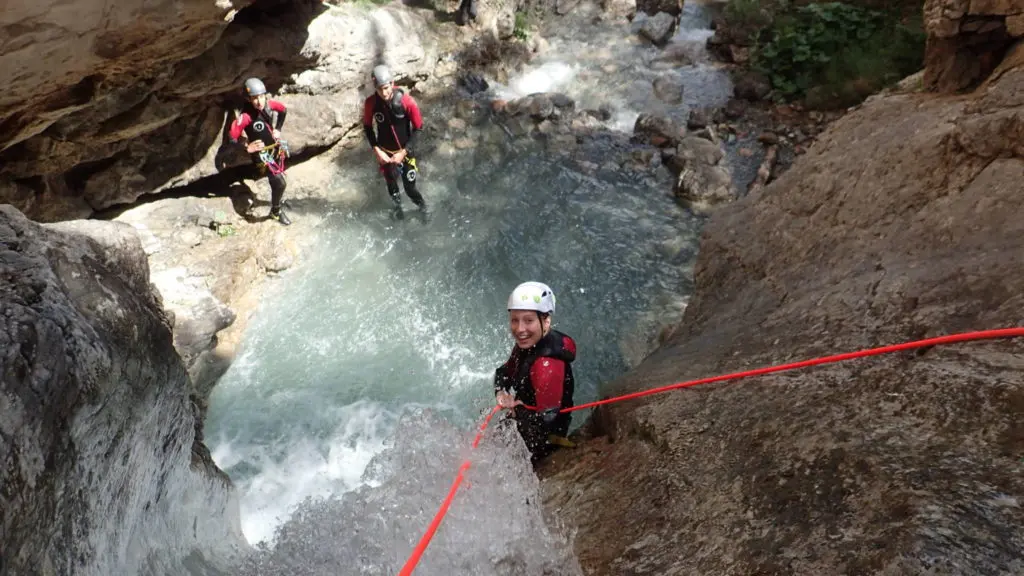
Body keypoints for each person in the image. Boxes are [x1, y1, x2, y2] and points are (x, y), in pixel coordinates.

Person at [493, 281, 577, 463]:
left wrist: (518, 410)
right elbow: (503, 372)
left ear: (546, 321)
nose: (520, 329)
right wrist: (501, 392)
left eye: (528, 320)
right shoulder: (528, 345)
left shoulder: (546, 366)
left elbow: (547, 425)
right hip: (525, 422)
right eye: (515, 320)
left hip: (543, 443)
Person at [362, 65, 428, 220]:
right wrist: (377, 150)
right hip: (385, 153)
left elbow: (419, 128)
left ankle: (423, 209)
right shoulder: (371, 103)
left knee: (410, 188)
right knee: (392, 186)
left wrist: (403, 152)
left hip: (405, 153)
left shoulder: (407, 102)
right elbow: (367, 127)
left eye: (386, 88)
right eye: (379, 89)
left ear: (392, 83)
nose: (384, 93)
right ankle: (398, 209)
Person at [229, 77, 291, 226]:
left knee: (277, 180)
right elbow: (232, 137)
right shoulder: (246, 117)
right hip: (262, 154)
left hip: (274, 148)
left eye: (261, 96)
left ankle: (277, 201)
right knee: (280, 182)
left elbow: (283, 110)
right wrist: (247, 147)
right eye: (254, 98)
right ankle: (275, 211)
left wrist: (278, 129)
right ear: (248, 99)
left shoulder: (269, 105)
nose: (259, 101)